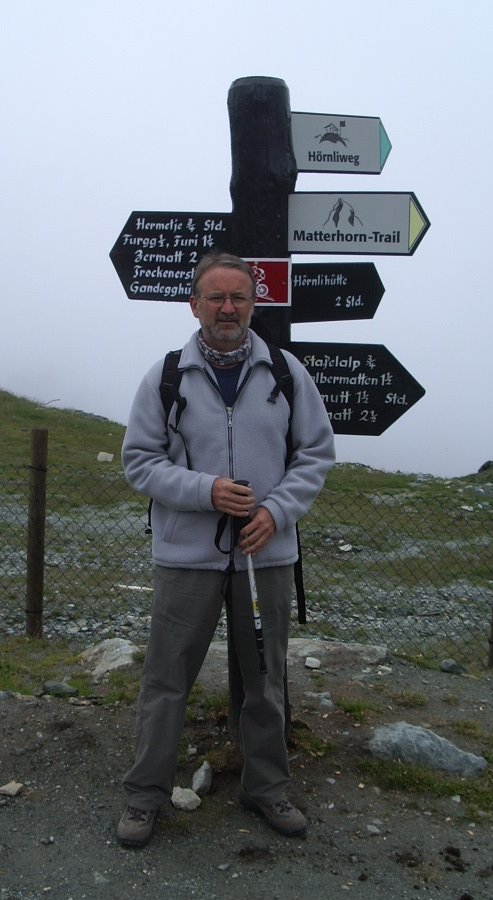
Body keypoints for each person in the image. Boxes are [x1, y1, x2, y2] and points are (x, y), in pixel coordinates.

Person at [116, 251, 335, 848]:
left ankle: (267, 789)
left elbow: (314, 454)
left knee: (265, 680)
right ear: (194, 305)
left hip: (266, 557)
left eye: (238, 296)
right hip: (186, 557)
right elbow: (139, 461)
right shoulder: (166, 376)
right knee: (166, 679)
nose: (228, 308)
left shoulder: (286, 372)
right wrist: (205, 491)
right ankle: (144, 797)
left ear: (253, 303)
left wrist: (274, 512)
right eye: (216, 297)